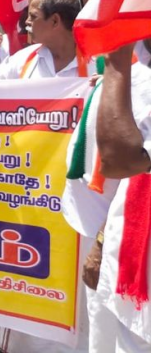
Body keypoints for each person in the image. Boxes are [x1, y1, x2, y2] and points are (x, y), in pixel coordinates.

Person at [0, 0, 97, 353]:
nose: (26, 22)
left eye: (34, 16)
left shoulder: (98, 65)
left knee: (71, 272)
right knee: (24, 263)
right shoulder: (20, 62)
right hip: (25, 187)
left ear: (56, 21)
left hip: (77, 191)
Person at [92, 41, 151, 352]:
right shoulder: (140, 73)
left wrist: (116, 56)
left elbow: (119, 160)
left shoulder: (128, 71)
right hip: (127, 249)